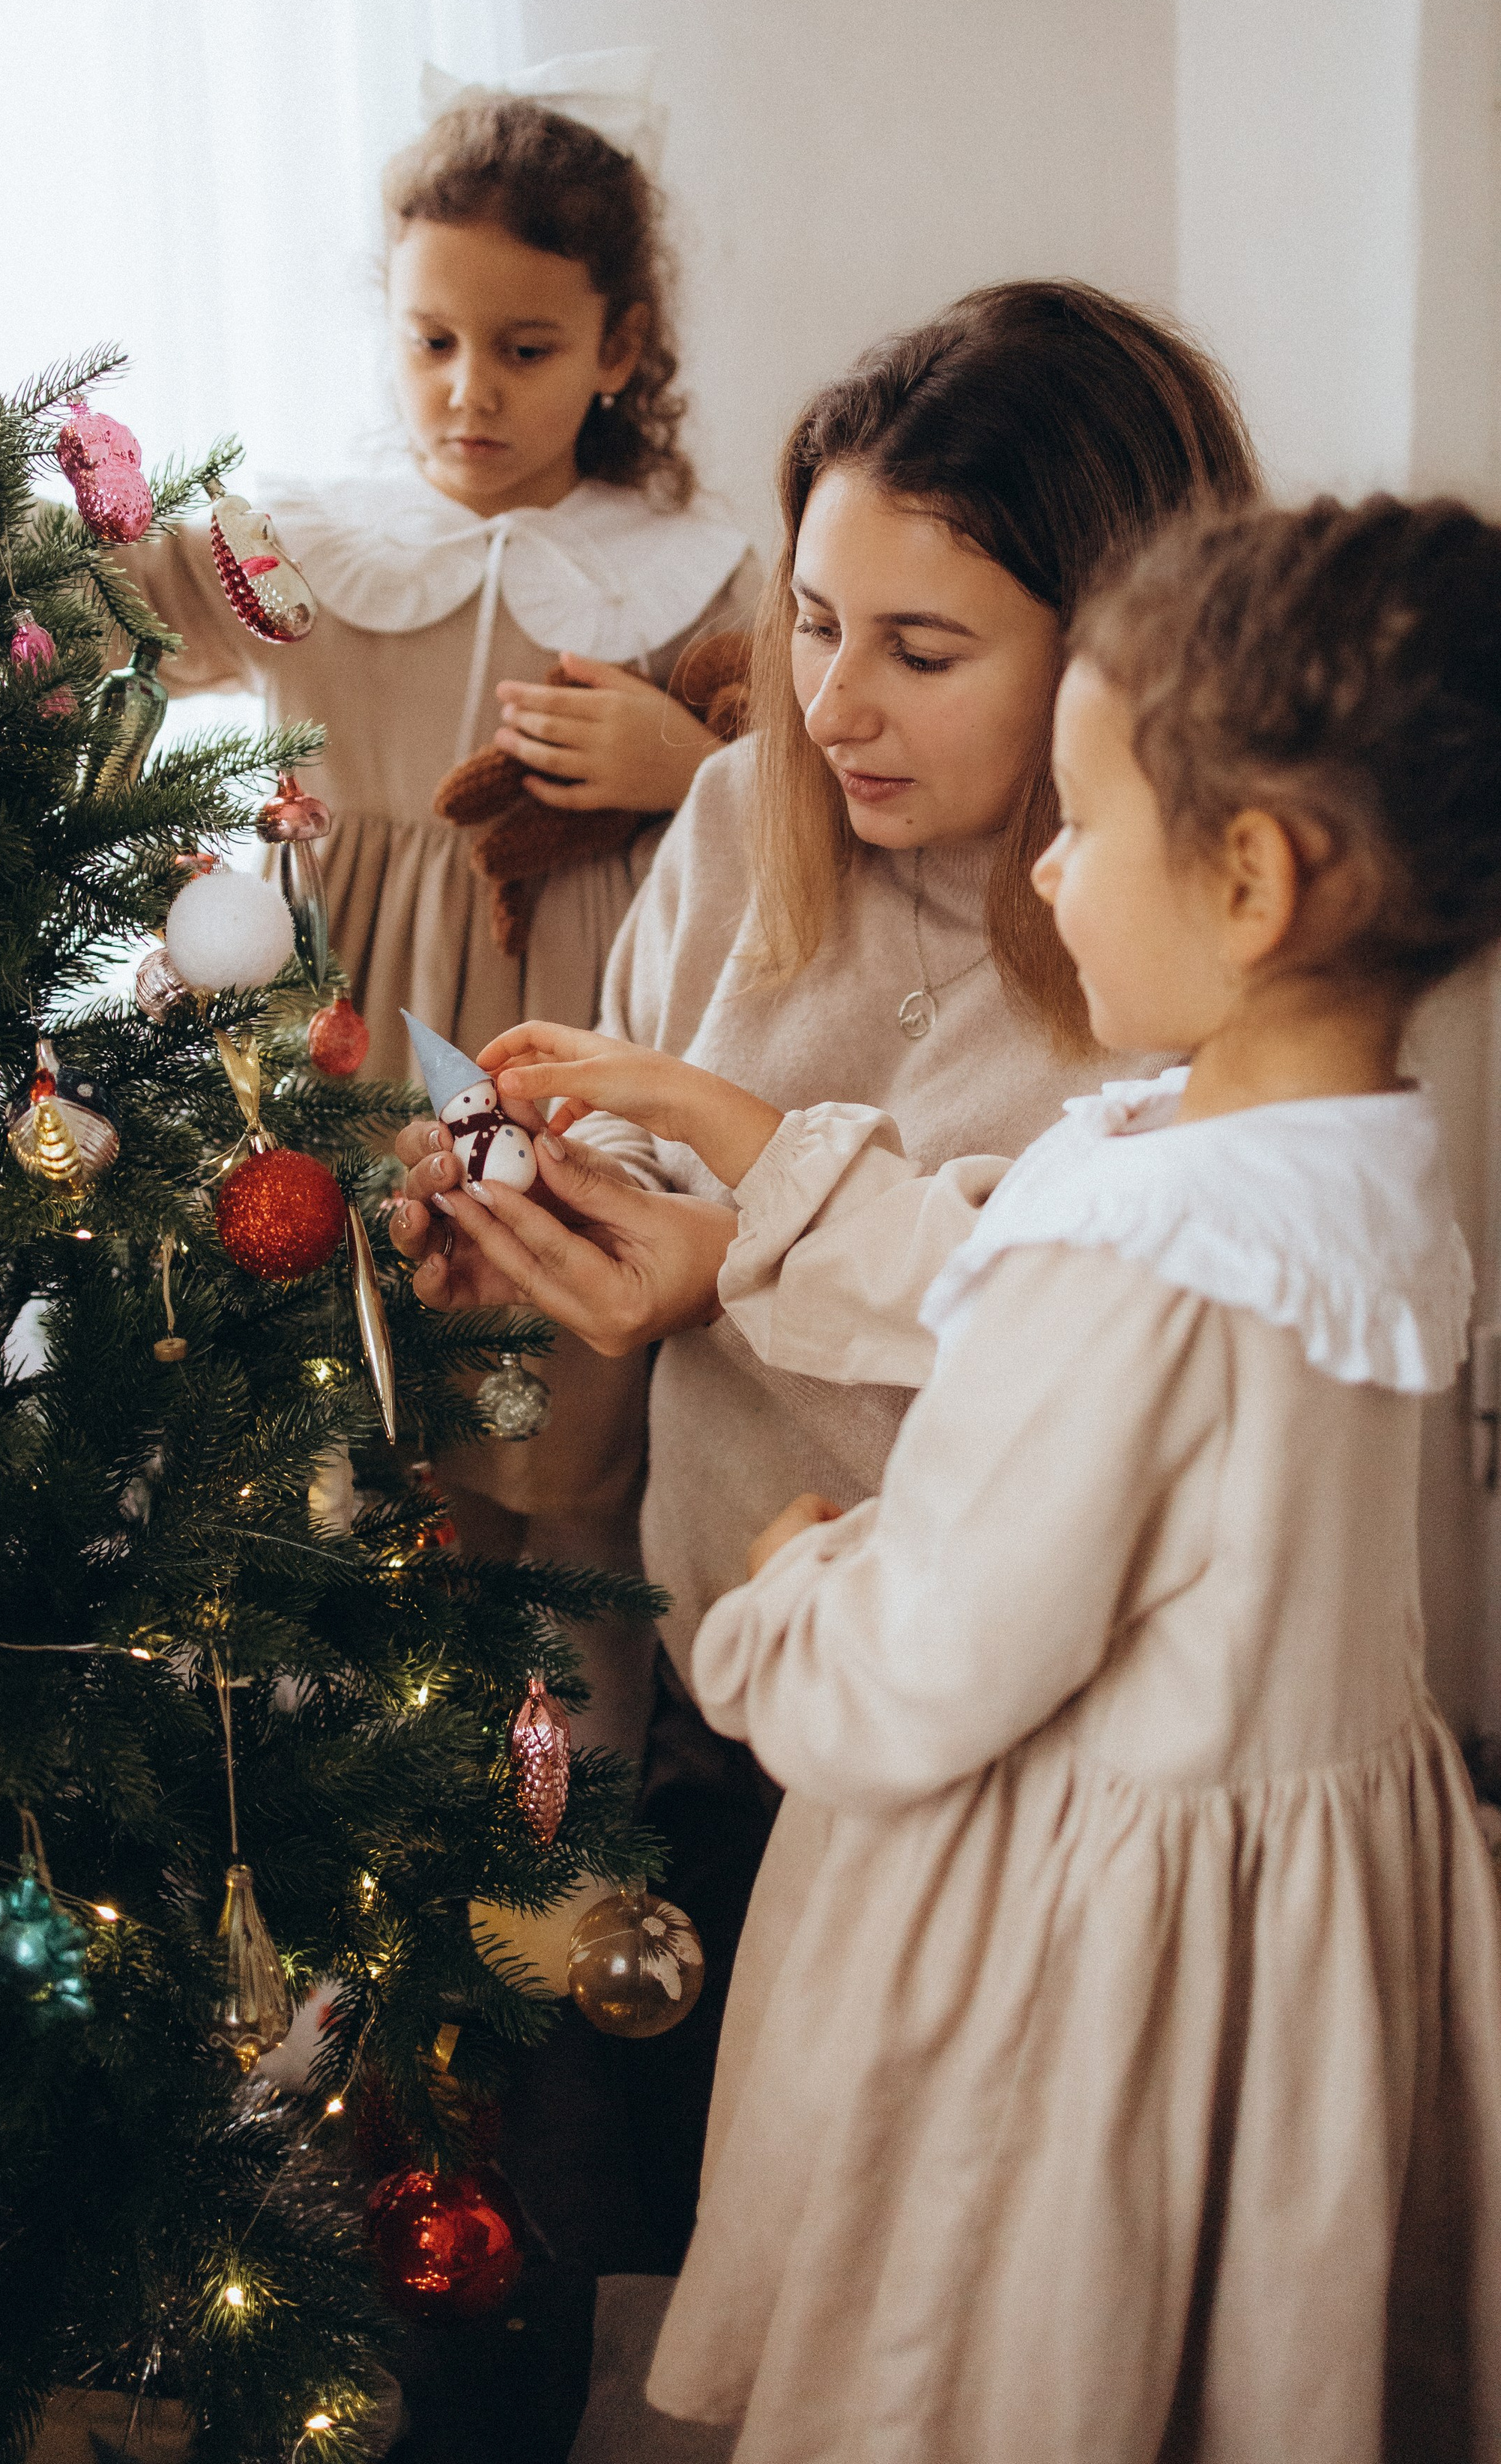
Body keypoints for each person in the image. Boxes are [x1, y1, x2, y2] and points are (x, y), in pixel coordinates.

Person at [622, 493, 1501, 2462]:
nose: (1054, 866)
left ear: (1254, 882)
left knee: (1014, 2346)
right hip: (1305, 1897)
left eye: (1085, 825)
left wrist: (786, 1603)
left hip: (1085, 1952)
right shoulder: (1363, 1173)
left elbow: (936, 1664)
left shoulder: (1143, 1250)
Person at [393, 283, 1260, 2265]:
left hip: (987, 1763)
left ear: (1121, 656)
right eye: (811, 622)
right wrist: (512, 1219)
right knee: (675, 2244)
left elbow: (1105, 1347)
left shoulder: (1195, 949)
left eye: (923, 648)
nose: (834, 702)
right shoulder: (735, 812)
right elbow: (624, 1134)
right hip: (708, 1694)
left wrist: (732, 1253)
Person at [120, 52, 761, 1560]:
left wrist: (683, 767)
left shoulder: (686, 569)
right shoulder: (312, 544)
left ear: (617, 350)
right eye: (431, 342)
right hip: (344, 1013)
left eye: (524, 349)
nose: (468, 390)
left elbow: (802, 788)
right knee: (344, 1399)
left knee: (557, 1411)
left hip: (568, 1042)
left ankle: (576, 1761)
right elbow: (98, 605)